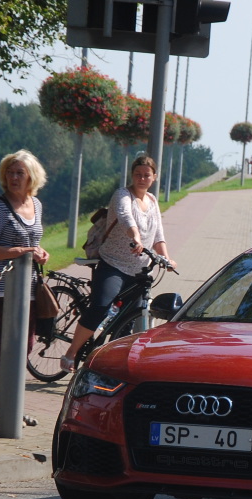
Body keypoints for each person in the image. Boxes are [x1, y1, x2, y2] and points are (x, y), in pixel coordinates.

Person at [63, 155, 174, 372]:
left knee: (127, 322)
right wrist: (136, 238)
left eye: (146, 175)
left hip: (140, 270)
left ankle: (112, 367)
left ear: (154, 177)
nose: (142, 178)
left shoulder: (152, 201)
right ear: (132, 175)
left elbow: (159, 234)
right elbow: (125, 218)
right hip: (114, 264)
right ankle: (71, 353)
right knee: (101, 307)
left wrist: (167, 258)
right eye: (138, 174)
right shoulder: (122, 195)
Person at [0, 149, 49, 426]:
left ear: (32, 176)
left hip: (27, 287)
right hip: (1, 290)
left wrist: (39, 252)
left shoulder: (36, 204)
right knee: (4, 348)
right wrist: (16, 250)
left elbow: (33, 240)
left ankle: (12, 406)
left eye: (20, 172)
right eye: (10, 172)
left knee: (25, 347)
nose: (14, 177)